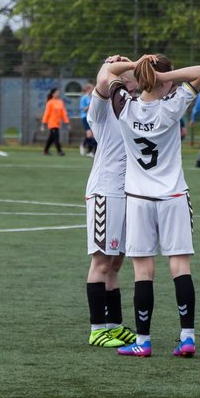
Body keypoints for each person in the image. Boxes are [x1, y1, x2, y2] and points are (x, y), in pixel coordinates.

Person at [103, 54, 200, 358]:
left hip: (138, 199)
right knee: (180, 266)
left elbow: (109, 71)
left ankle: (143, 341)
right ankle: (187, 337)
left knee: (143, 271)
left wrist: (137, 64)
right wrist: (163, 78)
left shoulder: (124, 105)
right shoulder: (172, 106)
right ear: (164, 81)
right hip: (174, 196)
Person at [82, 56, 139, 348]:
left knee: (116, 263)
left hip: (126, 193)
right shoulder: (102, 109)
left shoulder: (132, 107)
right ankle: (96, 329)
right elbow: (104, 79)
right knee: (102, 261)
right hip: (106, 192)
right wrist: (111, 62)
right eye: (133, 75)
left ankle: (114, 326)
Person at [41, 87, 69, 155]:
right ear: (53, 94)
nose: (58, 94)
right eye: (56, 93)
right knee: (56, 137)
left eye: (58, 93)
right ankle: (59, 151)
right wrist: (43, 123)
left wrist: (67, 122)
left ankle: (45, 151)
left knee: (51, 138)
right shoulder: (50, 102)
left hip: (58, 123)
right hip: (52, 123)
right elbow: (46, 113)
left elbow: (63, 113)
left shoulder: (60, 102)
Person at [79, 83, 97, 156]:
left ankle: (90, 151)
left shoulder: (92, 97)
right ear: (88, 90)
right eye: (91, 89)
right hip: (85, 117)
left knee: (93, 135)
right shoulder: (84, 98)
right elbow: (84, 109)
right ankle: (83, 145)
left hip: (91, 117)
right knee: (89, 135)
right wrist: (91, 105)